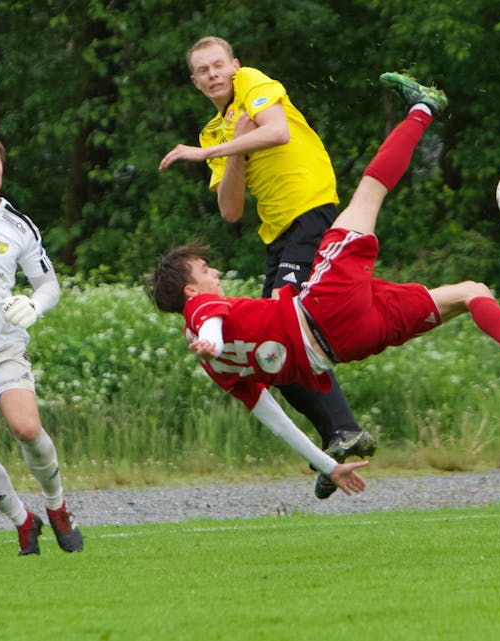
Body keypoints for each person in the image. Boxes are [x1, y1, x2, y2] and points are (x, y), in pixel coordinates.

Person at [148, 77, 500, 495]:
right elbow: (210, 322)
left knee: (469, 291)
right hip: (325, 308)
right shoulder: (201, 313)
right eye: (205, 270)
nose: (214, 274)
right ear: (190, 290)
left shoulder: (219, 369)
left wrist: (327, 464)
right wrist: (206, 338)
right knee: (370, 191)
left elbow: (274, 418)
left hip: (349, 344)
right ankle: (424, 106)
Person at [158, 37, 418, 498]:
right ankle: (337, 440)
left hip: (309, 210)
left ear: (234, 65)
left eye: (219, 64)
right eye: (204, 70)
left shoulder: (252, 83)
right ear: (195, 82)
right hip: (278, 232)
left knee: (284, 336)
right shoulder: (214, 132)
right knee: (269, 356)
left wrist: (204, 155)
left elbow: (277, 131)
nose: (214, 74)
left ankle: (342, 429)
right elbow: (231, 210)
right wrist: (230, 149)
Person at [0, 133, 84, 554]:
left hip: (3, 349)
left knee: (26, 428)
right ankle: (23, 520)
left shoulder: (17, 224)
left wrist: (34, 307)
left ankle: (57, 507)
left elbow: (48, 284)